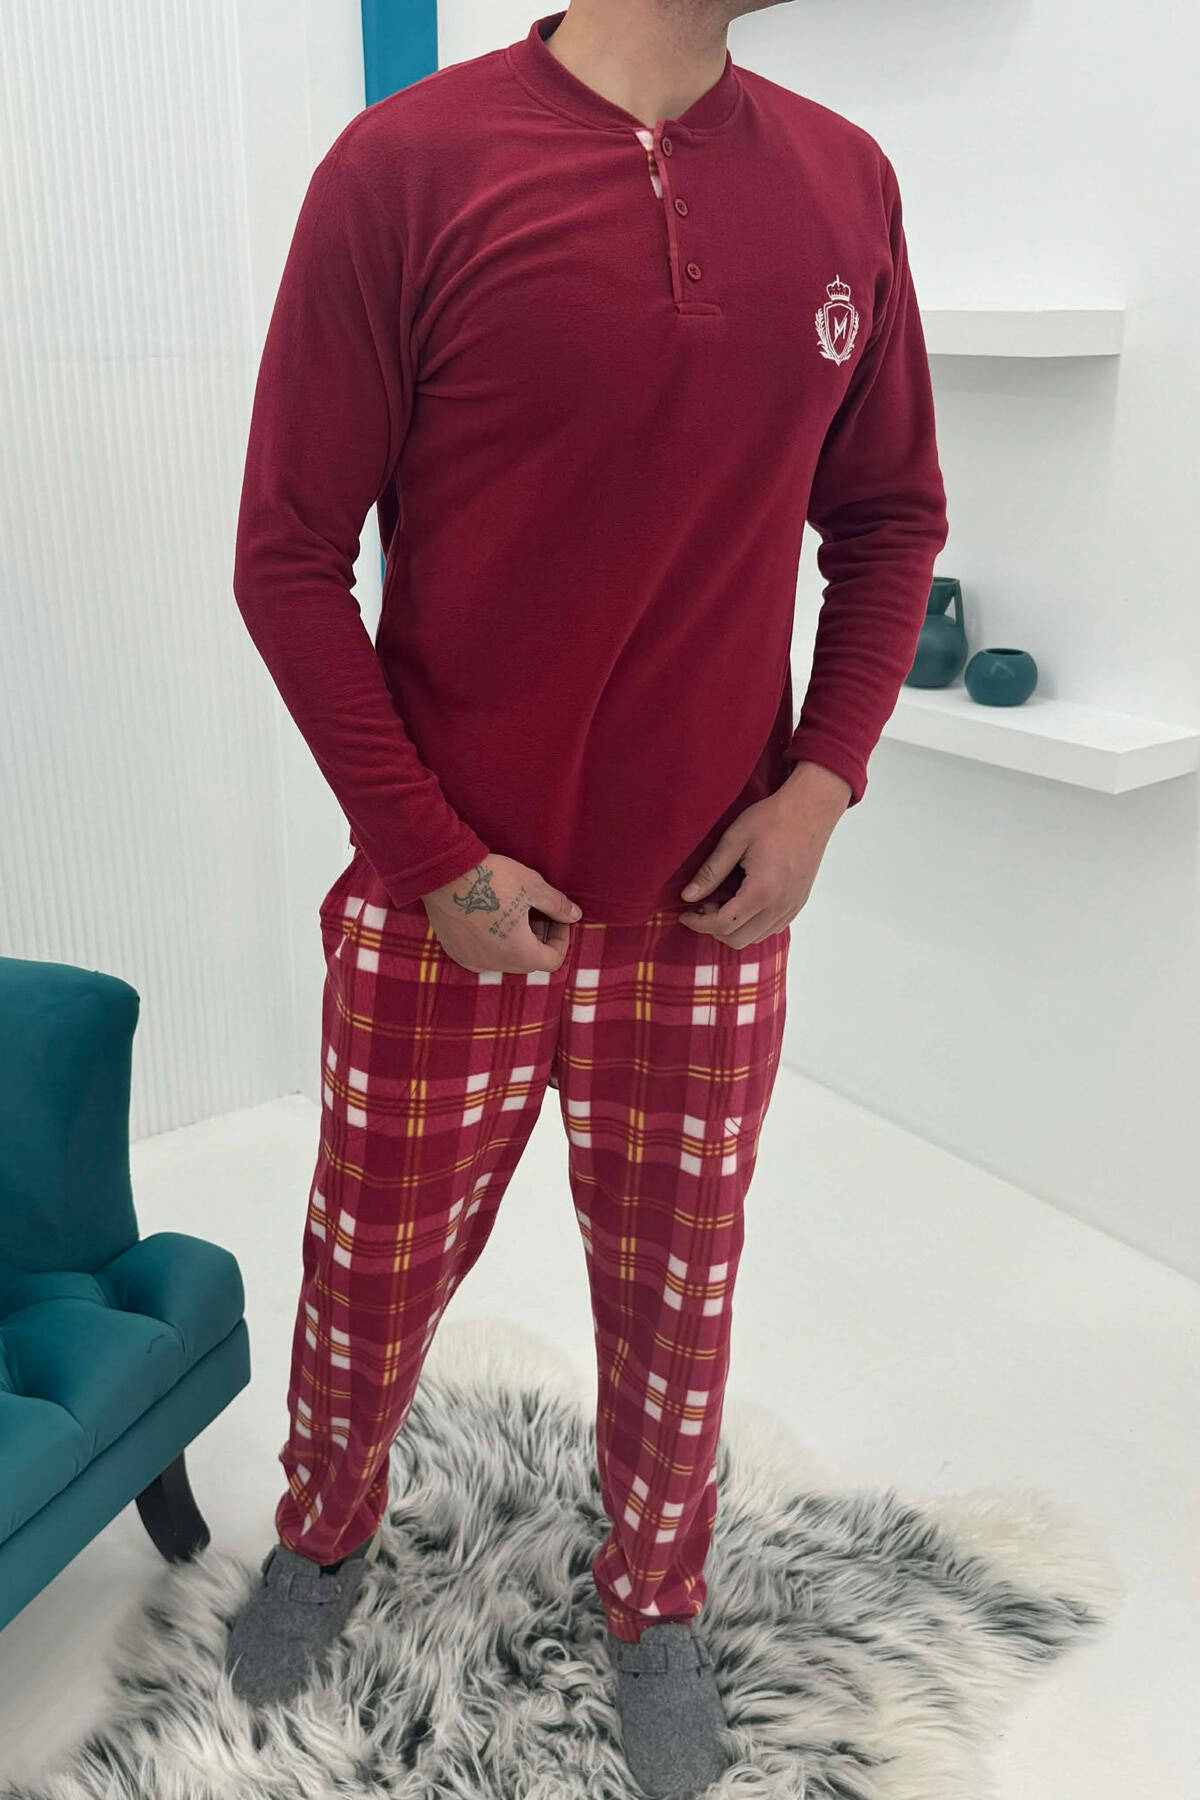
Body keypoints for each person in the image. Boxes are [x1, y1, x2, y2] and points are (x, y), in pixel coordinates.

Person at [225, 2, 948, 1793]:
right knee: (371, 1269)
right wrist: (428, 856)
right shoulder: (405, 172)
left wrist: (822, 785)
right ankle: (325, 1531)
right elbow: (289, 558)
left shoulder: (844, 181)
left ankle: (657, 1606)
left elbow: (889, 518)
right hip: (447, 903)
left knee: (678, 1291)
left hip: (708, 917)